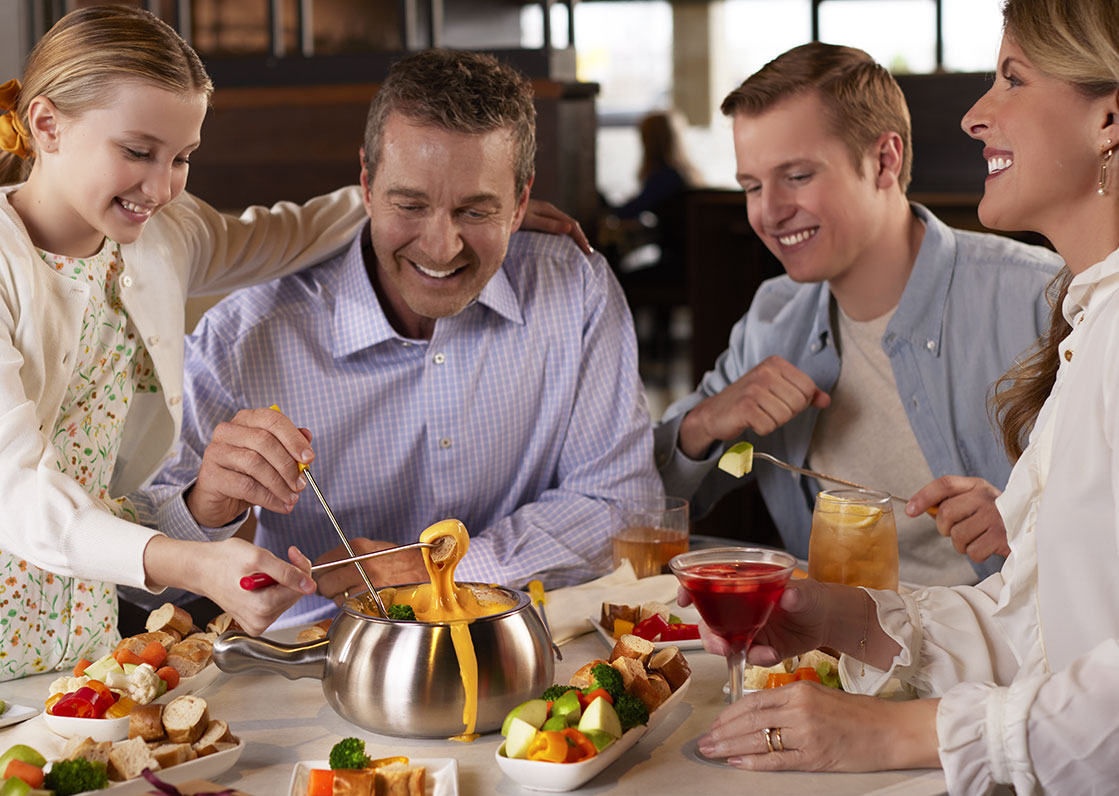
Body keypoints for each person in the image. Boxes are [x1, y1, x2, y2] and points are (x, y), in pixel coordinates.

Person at [0, 6, 590, 680]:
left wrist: (467, 207)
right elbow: (15, 497)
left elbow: (290, 231)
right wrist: (195, 562)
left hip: (74, 647)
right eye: (137, 152)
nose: (161, 186)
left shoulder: (163, 233)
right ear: (45, 125)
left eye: (183, 158)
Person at [688, 1, 1119, 792]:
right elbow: (1040, 630)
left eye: (1010, 78)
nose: (973, 114)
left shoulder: (1059, 306)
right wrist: (840, 616)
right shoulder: (1094, 319)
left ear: (1109, 118)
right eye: (751, 183)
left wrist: (893, 733)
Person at [127, 49, 661, 628]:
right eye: (411, 204)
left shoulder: (576, 288)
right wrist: (206, 509)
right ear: (366, 184)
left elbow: (624, 505)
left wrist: (432, 570)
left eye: (476, 211)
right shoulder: (242, 337)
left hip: (530, 647)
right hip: (316, 668)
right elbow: (141, 589)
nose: (441, 246)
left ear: (522, 201)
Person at [655, 42, 1063, 586]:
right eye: (752, 186)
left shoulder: (1042, 298)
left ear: (884, 161)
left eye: (797, 176)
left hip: (1003, 659)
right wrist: (705, 423)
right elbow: (644, 497)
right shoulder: (773, 318)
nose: (769, 213)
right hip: (827, 662)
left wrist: (1034, 525)